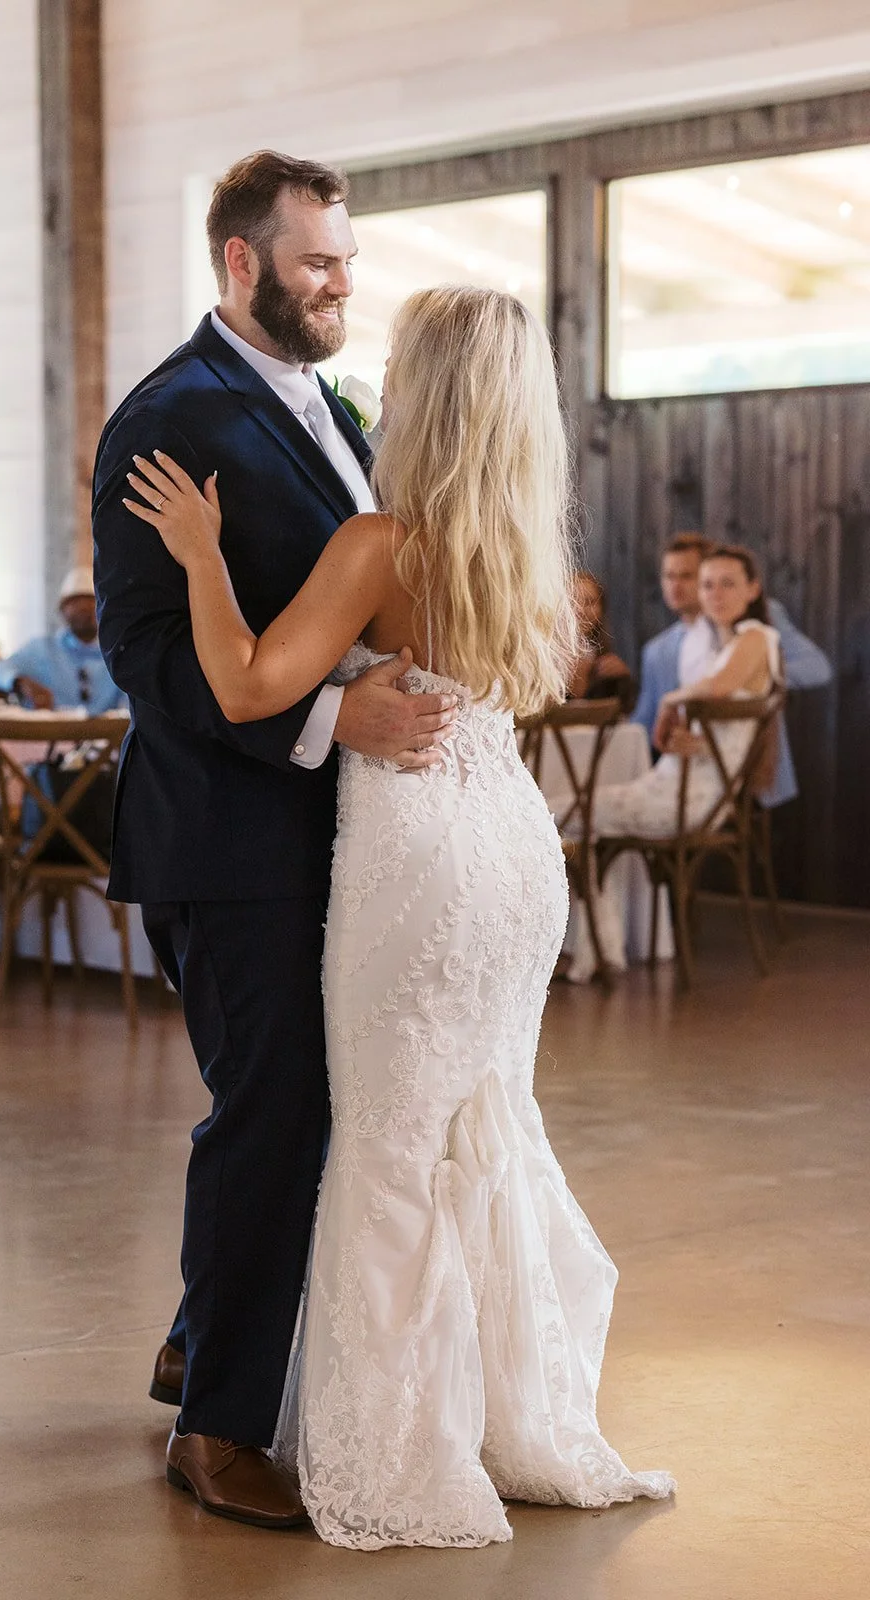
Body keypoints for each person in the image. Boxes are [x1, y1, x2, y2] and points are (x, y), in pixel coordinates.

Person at [127, 282, 674, 1547]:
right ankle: (499, 1412)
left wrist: (205, 559)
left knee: (384, 1135)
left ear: (419, 393)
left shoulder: (382, 541)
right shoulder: (531, 552)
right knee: (483, 1118)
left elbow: (248, 680)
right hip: (511, 855)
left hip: (416, 862)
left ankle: (396, 1441)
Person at [93, 150, 465, 1533]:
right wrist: (327, 721)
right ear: (242, 263)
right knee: (280, 1111)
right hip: (226, 835)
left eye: (349, 259)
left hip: (331, 837)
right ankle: (221, 1426)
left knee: (295, 1104)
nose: (343, 283)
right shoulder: (166, 419)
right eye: (318, 261)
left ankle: (205, 1335)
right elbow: (146, 655)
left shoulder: (341, 408)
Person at [632, 532, 831, 806]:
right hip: (688, 777)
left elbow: (817, 667)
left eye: (687, 576)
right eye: (669, 576)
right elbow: (646, 723)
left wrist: (756, 676)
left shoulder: (755, 625)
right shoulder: (657, 651)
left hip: (749, 777)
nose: (676, 586)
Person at [0, 567, 125, 711]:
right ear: (62, 611)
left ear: (105, 609)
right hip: (49, 737)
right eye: (75, 602)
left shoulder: (118, 655)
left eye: (91, 601)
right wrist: (20, 682)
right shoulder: (42, 650)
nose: (84, 608)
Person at [567, 570, 635, 710]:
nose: (580, 610)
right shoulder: (545, 663)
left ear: (601, 609)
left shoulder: (608, 663)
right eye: (573, 601)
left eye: (589, 602)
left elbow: (627, 711)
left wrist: (624, 678)